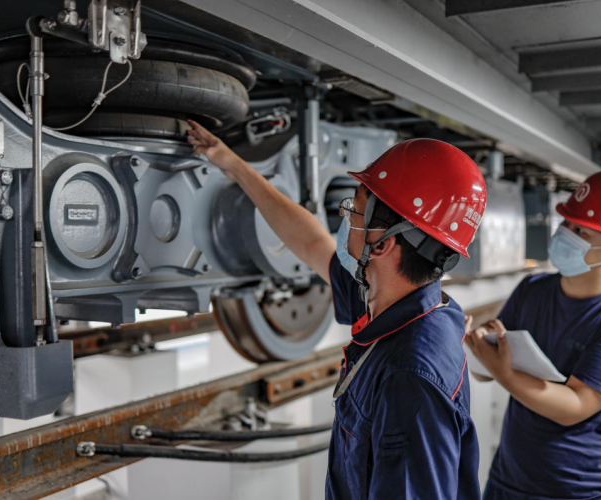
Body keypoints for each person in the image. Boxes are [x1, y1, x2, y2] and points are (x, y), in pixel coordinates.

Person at [187, 119, 486, 499]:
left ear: (383, 244)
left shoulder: (408, 378)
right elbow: (311, 242)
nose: (345, 219)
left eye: (354, 212)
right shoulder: (402, 301)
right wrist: (235, 166)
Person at [465, 170, 601, 500]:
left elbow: (574, 406)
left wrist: (503, 372)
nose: (565, 234)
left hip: (578, 489)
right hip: (508, 480)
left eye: (580, 230)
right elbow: (488, 367)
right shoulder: (532, 289)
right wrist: (482, 345)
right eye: (567, 223)